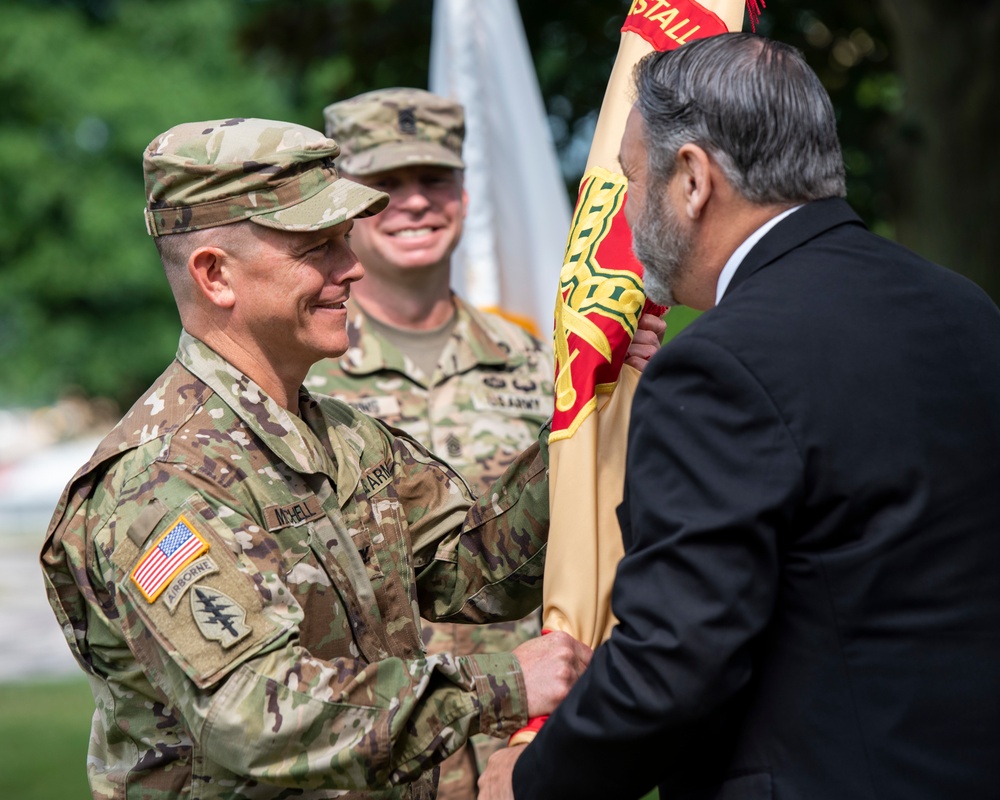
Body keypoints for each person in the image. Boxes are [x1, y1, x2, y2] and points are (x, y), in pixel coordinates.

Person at [480, 32, 1000, 800]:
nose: (624, 208)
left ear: (692, 178)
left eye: (631, 177)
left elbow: (673, 662)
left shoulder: (721, 363)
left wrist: (530, 783)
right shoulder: (968, 309)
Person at [39, 117, 595, 800]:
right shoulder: (160, 480)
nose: (352, 267)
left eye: (344, 241)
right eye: (318, 248)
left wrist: (591, 406)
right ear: (215, 276)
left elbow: (474, 572)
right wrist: (501, 684)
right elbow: (255, 717)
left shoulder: (341, 435)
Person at [305, 87, 550, 800]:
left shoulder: (538, 366)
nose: (414, 202)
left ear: (465, 197)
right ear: (343, 207)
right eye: (385, 183)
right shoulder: (303, 375)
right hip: (369, 756)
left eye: (433, 179)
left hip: (520, 747)